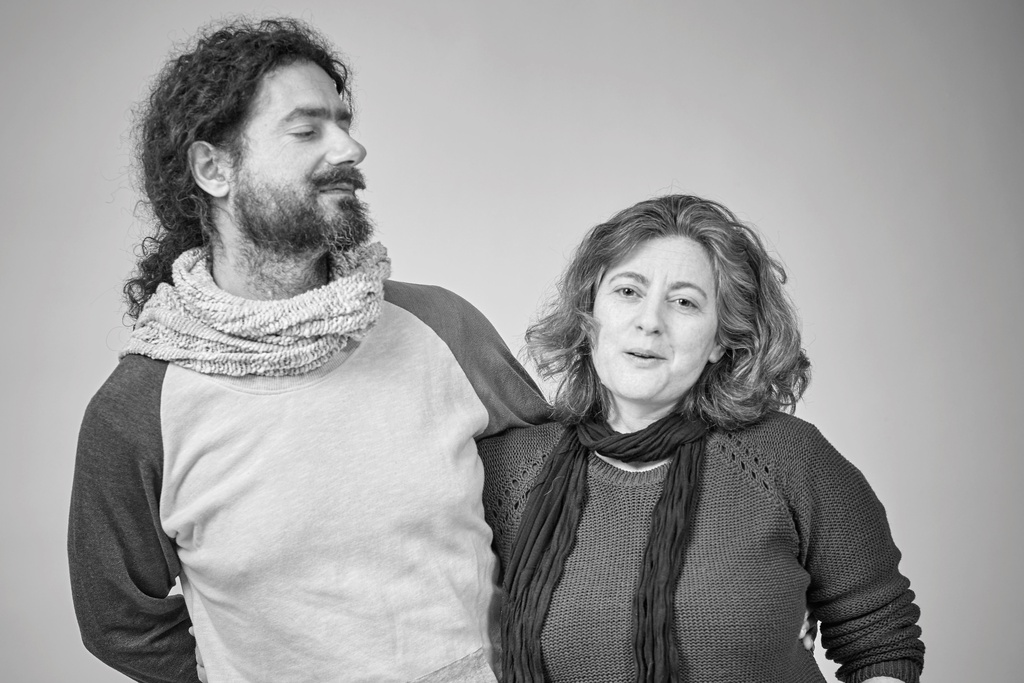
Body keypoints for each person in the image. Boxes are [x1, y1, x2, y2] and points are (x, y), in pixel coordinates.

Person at [67, 18, 550, 683]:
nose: (351, 147)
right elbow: (118, 620)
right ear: (213, 169)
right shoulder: (138, 410)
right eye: (307, 130)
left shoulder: (442, 327)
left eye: (343, 122)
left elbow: (561, 493)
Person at [480, 195, 925, 682]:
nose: (650, 321)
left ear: (720, 339)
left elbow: (882, 641)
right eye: (628, 291)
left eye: (685, 302)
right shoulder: (506, 470)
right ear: (589, 315)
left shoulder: (789, 458)